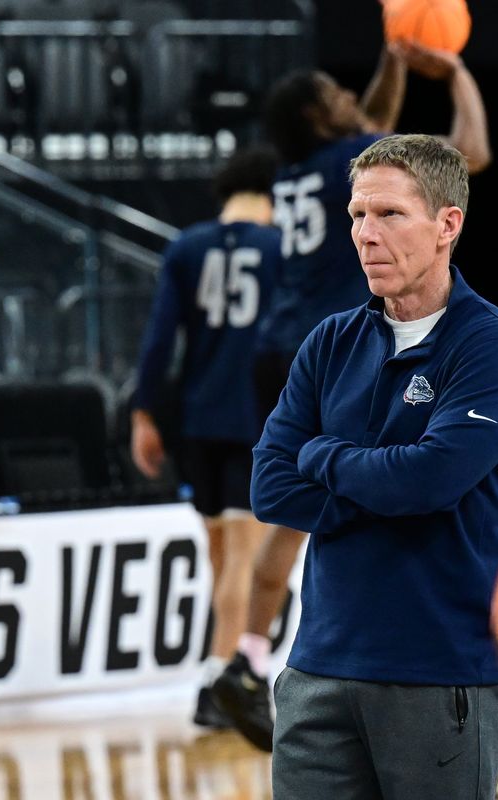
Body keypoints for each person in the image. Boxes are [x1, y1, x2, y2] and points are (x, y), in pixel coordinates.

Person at [210, 43, 493, 751]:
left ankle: (245, 657)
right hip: (337, 347)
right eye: (334, 91)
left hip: (280, 341)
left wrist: (394, 59)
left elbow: (372, 121)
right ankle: (279, 656)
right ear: (316, 112)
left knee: (283, 513)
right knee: (375, 482)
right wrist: (456, 75)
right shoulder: (367, 164)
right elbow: (469, 158)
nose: (348, 97)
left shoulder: (306, 168)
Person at [251, 133, 498, 799]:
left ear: (447, 225)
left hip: (440, 671)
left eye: (389, 215)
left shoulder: (493, 346)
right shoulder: (330, 341)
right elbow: (269, 485)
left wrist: (322, 455)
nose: (366, 235)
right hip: (317, 668)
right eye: (357, 215)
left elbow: (428, 481)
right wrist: (385, 483)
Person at [130, 147, 281, 728]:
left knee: (221, 558)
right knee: (242, 560)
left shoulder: (187, 247)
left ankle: (216, 676)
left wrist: (145, 413)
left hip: (197, 420)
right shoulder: (278, 248)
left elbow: (159, 339)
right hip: (254, 418)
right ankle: (220, 680)